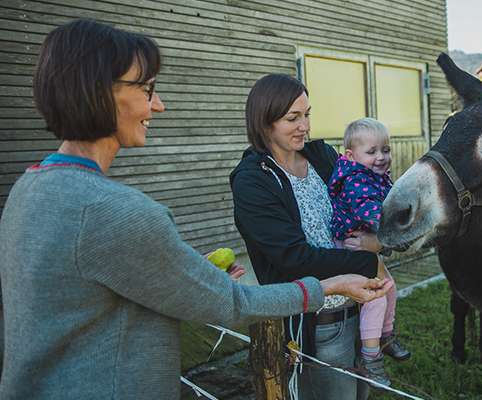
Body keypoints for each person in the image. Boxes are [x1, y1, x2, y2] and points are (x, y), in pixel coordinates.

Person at [0, 19, 389, 399]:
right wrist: (329, 286)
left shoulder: (28, 189)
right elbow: (232, 302)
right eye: (148, 89)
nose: (159, 105)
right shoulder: (117, 212)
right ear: (99, 93)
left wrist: (181, 268)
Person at [230, 75, 388, 400]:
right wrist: (370, 259)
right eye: (293, 118)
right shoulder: (253, 182)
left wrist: (379, 237)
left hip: (361, 309)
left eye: (307, 114)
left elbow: (364, 201)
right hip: (318, 325)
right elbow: (294, 258)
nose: (305, 126)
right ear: (265, 121)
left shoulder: (322, 157)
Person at [328, 118, 411, 387]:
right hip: (350, 245)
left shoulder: (375, 176)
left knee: (390, 287)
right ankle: (370, 357)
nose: (381, 157)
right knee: (375, 298)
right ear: (351, 155)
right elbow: (369, 210)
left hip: (365, 244)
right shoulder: (354, 179)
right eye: (372, 151)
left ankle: (385, 335)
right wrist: (394, 231)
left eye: (385, 150)